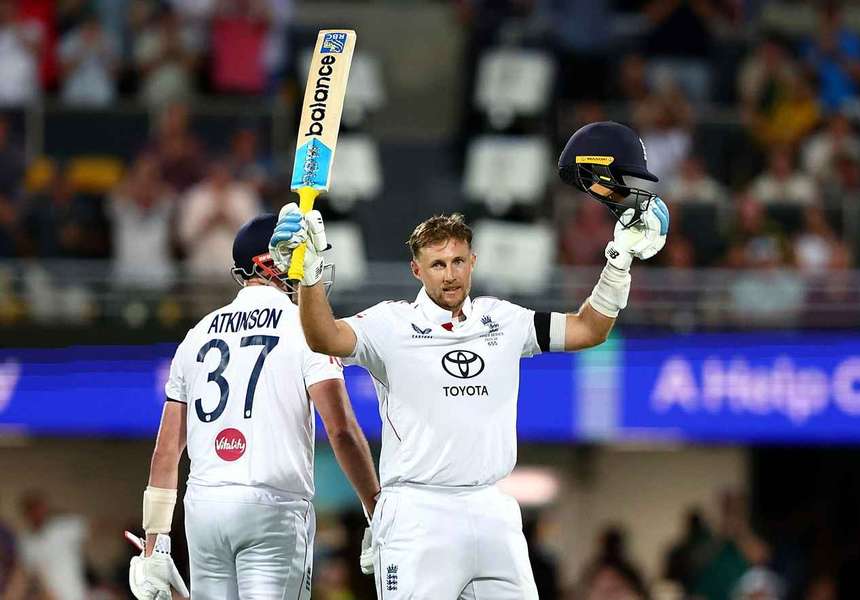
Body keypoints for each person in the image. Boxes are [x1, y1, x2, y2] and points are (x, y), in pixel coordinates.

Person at [269, 121, 669, 598]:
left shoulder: (505, 320)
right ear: (417, 270)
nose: (450, 274)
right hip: (417, 512)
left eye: (458, 261)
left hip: (493, 507)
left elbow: (589, 329)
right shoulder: (388, 324)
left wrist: (619, 261)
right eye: (437, 265)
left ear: (473, 262)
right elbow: (322, 337)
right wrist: (310, 275)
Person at [127, 214, 380, 600]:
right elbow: (341, 430)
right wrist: (375, 509)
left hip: (205, 504)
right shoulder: (303, 327)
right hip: (273, 505)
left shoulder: (197, 334)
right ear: (271, 261)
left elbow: (166, 451)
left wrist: (154, 544)